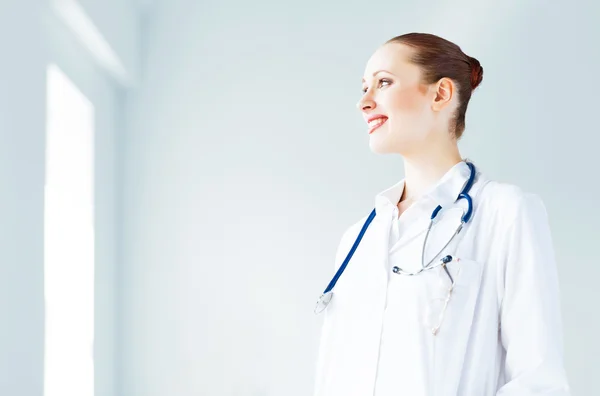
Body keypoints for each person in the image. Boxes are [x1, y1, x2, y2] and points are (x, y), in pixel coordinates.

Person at [313, 33, 570, 396]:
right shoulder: (359, 238)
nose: (364, 102)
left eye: (383, 82)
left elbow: (538, 380)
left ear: (441, 94)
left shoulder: (504, 212)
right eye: (364, 86)